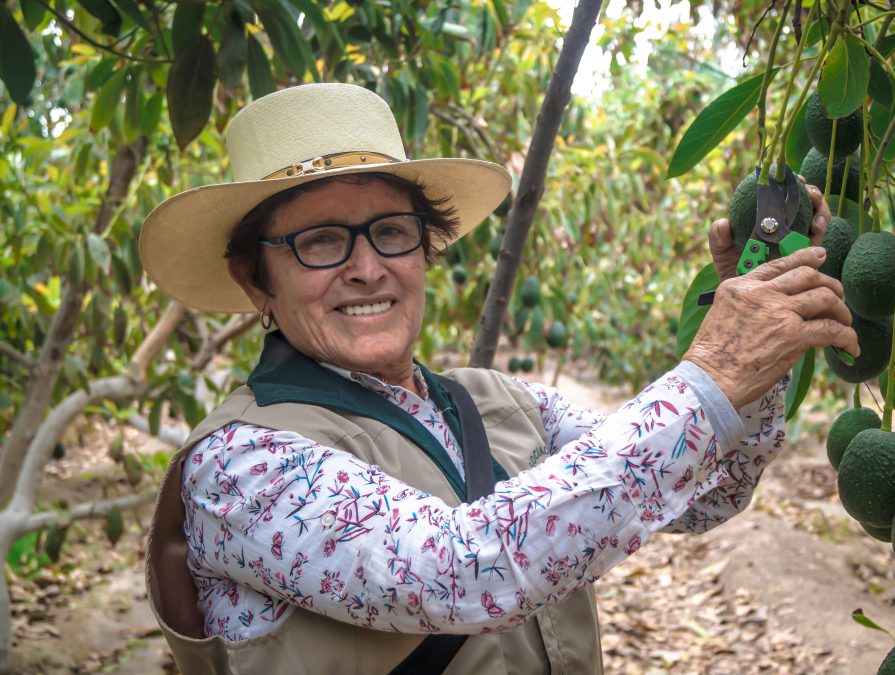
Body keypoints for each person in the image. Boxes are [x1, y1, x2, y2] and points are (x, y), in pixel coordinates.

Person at [142, 83, 857, 674]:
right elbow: (463, 569)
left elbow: (703, 493)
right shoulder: (240, 464)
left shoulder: (501, 402)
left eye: (391, 230)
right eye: (319, 241)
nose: (366, 267)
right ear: (254, 277)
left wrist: (758, 350)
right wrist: (711, 373)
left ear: (425, 248)